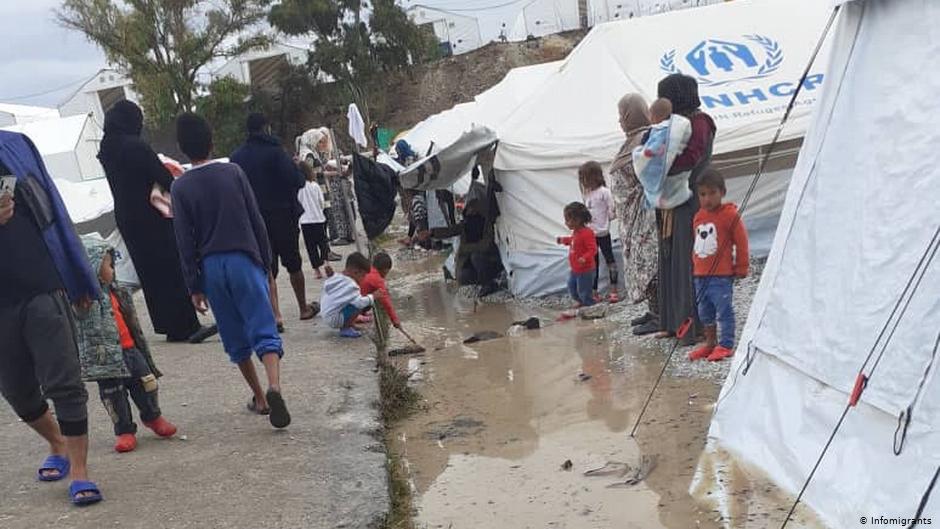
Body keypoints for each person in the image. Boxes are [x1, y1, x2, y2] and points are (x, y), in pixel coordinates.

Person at [0, 133, 102, 506]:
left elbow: (53, 209)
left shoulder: (15, 144)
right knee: (17, 391)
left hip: (41, 282)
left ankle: (79, 470)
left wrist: (79, 275)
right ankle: (56, 441)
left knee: (64, 382)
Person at [171, 113, 291, 429]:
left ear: (183, 150)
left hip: (211, 268)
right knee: (263, 327)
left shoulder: (180, 187)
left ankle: (260, 398)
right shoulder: (233, 173)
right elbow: (256, 220)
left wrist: (193, 286)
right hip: (244, 259)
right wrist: (265, 264)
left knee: (235, 338)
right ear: (212, 143)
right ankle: (274, 386)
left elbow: (184, 240)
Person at [97, 100, 216, 344]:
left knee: (150, 274)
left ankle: (167, 325)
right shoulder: (135, 146)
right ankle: (188, 325)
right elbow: (160, 175)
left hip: (127, 217)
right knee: (171, 267)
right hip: (151, 216)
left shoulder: (107, 148)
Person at [76, 236, 177, 452]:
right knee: (114, 395)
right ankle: (124, 430)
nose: (113, 270)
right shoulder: (84, 300)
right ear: (92, 267)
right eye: (108, 265)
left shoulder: (118, 291)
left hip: (130, 349)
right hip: (105, 359)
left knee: (147, 383)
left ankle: (152, 416)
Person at [231, 113, 316, 329]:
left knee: (266, 267)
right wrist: (297, 168)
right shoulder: (276, 152)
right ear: (266, 128)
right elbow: (296, 181)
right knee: (293, 263)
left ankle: (274, 315)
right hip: (283, 215)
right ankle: (303, 307)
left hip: (254, 219)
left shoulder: (237, 157)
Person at [656, 73, 717, 345]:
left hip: (692, 199)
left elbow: (687, 161)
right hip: (674, 199)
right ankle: (672, 321)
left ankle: (694, 325)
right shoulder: (680, 123)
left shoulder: (699, 123)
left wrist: (660, 167)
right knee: (671, 261)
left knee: (688, 262)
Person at [609, 94, 660, 336]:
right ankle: (653, 310)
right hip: (632, 217)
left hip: (645, 214)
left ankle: (661, 315)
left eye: (622, 115)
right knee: (640, 260)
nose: (620, 120)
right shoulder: (631, 141)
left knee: (649, 262)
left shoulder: (646, 139)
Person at [687, 169, 749, 362]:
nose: (707, 198)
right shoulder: (698, 217)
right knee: (704, 311)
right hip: (700, 275)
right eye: (703, 194)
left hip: (721, 275)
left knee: (723, 309)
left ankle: (726, 344)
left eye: (712, 193)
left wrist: (741, 266)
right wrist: (695, 266)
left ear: (722, 192)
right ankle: (710, 342)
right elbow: (697, 244)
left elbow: (742, 241)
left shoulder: (730, 215)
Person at [424, 198, 503, 296]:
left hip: (490, 261)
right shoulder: (466, 225)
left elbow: (485, 245)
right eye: (469, 211)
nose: (470, 214)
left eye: (473, 212)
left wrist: (465, 248)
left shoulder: (487, 226)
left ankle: (489, 283)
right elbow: (450, 231)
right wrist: (431, 233)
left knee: (476, 257)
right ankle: (479, 281)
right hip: (470, 263)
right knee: (462, 277)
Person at [632, 98, 693, 210]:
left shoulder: (661, 129)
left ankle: (658, 200)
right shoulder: (676, 126)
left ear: (655, 117)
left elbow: (656, 143)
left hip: (663, 158)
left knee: (639, 157)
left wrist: (642, 153)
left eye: (650, 116)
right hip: (673, 160)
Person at [578, 161, 619, 303]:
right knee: (592, 263)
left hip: (603, 233)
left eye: (585, 179)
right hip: (590, 235)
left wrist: (606, 221)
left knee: (610, 260)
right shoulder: (587, 195)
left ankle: (614, 290)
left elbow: (613, 210)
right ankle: (594, 292)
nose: (583, 183)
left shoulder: (604, 192)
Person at [320, 252, 386, 338]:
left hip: (327, 315)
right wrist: (373, 296)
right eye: (363, 276)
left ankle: (350, 323)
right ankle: (345, 328)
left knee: (355, 300)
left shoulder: (339, 277)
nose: (363, 280)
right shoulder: (352, 285)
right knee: (359, 304)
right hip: (335, 319)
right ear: (356, 272)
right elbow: (360, 303)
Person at [556, 202, 598, 319]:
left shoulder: (587, 233)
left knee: (584, 290)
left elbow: (593, 249)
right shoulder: (576, 232)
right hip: (575, 269)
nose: (566, 223)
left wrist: (584, 258)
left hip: (585, 269)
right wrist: (564, 240)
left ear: (578, 219)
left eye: (568, 220)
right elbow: (573, 241)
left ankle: (590, 306)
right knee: (572, 287)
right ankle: (581, 302)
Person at [298, 162, 330, 280]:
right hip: (318, 218)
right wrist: (319, 210)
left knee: (311, 246)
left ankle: (317, 270)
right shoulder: (315, 185)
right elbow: (321, 201)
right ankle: (326, 263)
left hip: (305, 220)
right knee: (322, 242)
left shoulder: (298, 188)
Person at [361, 252, 402, 330]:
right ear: (385, 269)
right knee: (375, 296)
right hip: (356, 304)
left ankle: (360, 314)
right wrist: (395, 320)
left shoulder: (369, 270)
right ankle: (358, 316)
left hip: (354, 300)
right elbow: (386, 302)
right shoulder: (377, 279)